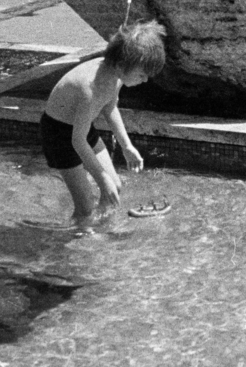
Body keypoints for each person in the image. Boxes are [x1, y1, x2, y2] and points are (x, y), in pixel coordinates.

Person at [41, 21, 166, 227]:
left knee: (114, 188)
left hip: (81, 128)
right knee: (86, 205)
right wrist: (101, 179)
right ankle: (79, 234)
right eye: (142, 75)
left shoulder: (115, 76)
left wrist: (127, 146)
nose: (144, 81)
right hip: (59, 134)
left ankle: (98, 227)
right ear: (120, 65)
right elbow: (77, 141)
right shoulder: (90, 87)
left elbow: (109, 107)